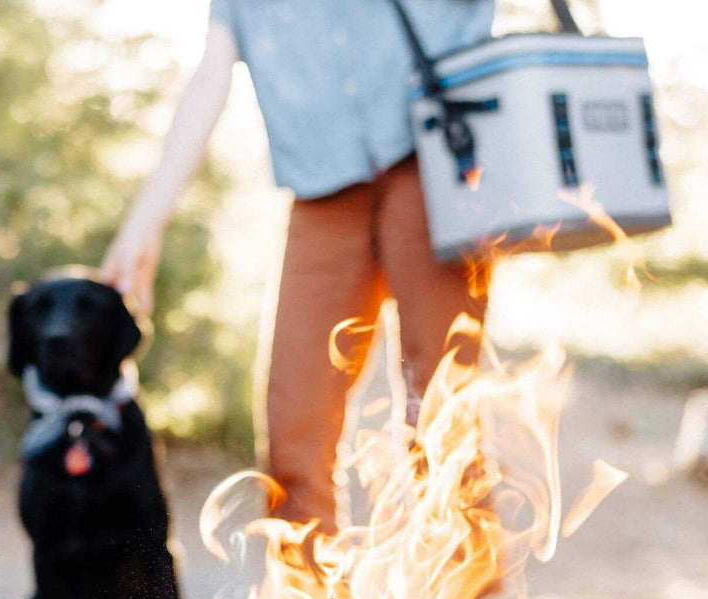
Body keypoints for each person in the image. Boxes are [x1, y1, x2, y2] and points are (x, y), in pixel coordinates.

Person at [101, 2, 495, 533]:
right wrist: (144, 225)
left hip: (432, 166)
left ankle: (456, 582)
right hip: (321, 188)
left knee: (441, 412)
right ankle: (305, 584)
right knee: (295, 426)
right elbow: (210, 74)